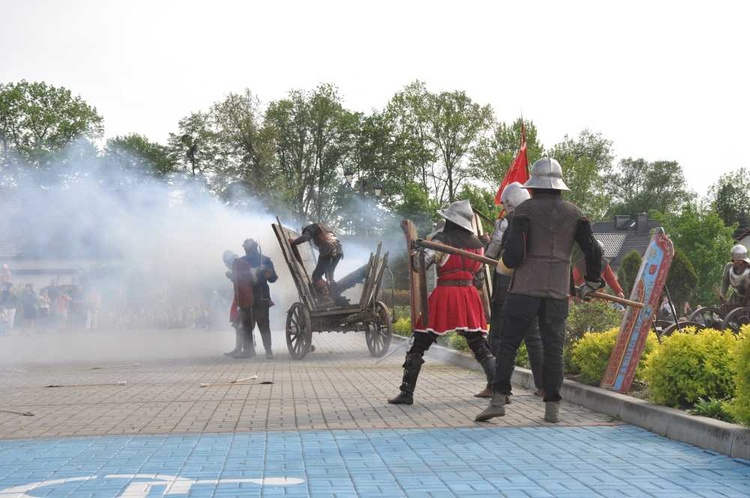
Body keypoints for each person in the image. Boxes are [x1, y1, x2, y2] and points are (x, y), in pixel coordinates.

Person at [476, 157, 603, 423]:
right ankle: (552, 408)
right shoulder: (575, 213)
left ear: (532, 186)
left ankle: (499, 400)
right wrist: (592, 281)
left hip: (523, 291)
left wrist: (507, 262)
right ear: (559, 186)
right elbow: (594, 249)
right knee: (553, 350)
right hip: (557, 293)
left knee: (508, 346)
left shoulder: (523, 212)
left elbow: (512, 257)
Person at [388, 199, 495, 405]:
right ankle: (499, 391)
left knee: (420, 343)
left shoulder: (440, 241)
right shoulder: (478, 246)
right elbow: (480, 278)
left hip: (446, 294)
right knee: (479, 344)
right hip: (469, 295)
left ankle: (407, 393)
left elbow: (420, 266)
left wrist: (415, 251)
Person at [484, 182, 544, 398]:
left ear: (510, 203)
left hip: (507, 286)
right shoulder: (540, 220)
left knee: (499, 338)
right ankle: (543, 385)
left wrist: (487, 244)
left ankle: (496, 387)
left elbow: (491, 254)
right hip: (533, 285)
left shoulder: (505, 222)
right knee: (533, 337)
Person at [232, 238, 279, 359]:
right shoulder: (241, 262)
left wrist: (267, 271)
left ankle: (267, 350)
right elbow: (236, 279)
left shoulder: (265, 260)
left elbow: (272, 278)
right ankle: (250, 351)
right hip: (247, 295)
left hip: (260, 295)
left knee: (262, 324)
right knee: (248, 324)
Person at [289, 223, 343, 301]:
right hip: (338, 251)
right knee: (329, 275)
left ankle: (325, 296)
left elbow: (306, 237)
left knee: (316, 276)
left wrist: (294, 242)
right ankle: (335, 296)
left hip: (328, 251)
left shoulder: (310, 227)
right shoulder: (324, 227)